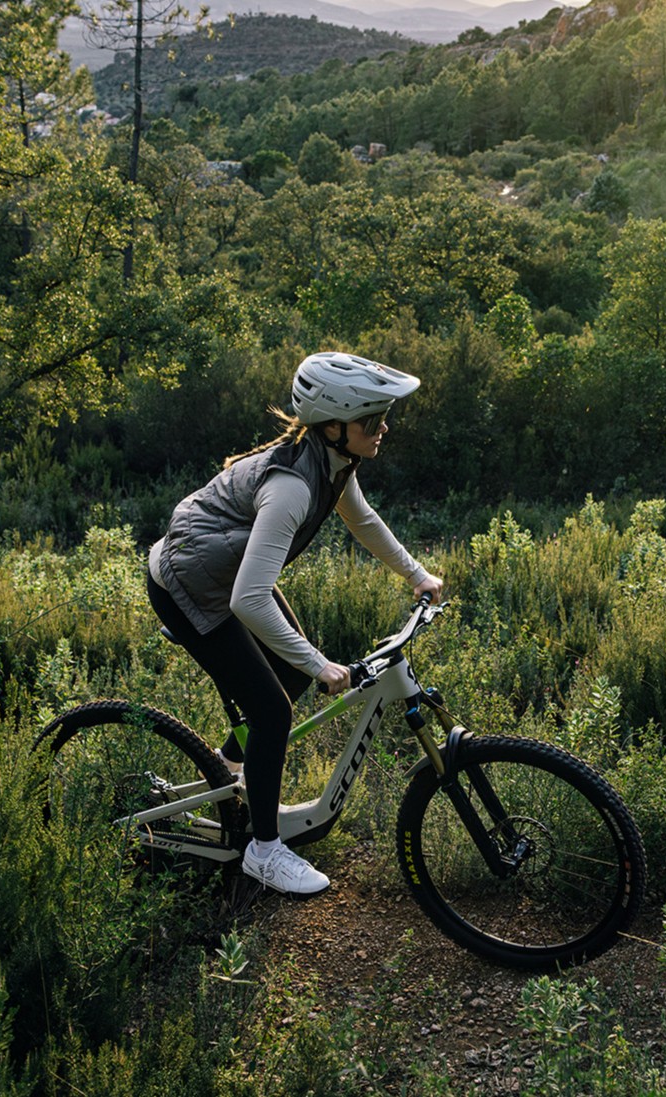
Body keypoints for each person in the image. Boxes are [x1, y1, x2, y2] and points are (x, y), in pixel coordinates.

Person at [146, 351, 443, 896]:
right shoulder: (292, 488)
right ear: (333, 426)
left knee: (293, 680)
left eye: (382, 416)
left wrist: (416, 574)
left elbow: (363, 519)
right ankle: (263, 851)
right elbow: (248, 601)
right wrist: (321, 661)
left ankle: (227, 769)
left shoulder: (331, 463)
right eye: (371, 420)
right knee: (273, 708)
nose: (383, 428)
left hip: (227, 572)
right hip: (191, 585)